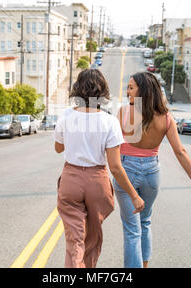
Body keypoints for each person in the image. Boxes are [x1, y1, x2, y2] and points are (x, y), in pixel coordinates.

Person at [114, 72, 191, 268]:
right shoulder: (166, 117)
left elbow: (111, 146)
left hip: (127, 172)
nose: (127, 91)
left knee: (132, 229)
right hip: (152, 173)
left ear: (143, 90)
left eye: (131, 87)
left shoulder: (123, 112)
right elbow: (180, 151)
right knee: (145, 221)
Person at [53, 68, 145, 268]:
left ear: (77, 89)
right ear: (101, 91)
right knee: (92, 238)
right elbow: (116, 167)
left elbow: (58, 148)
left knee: (74, 240)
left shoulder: (66, 115)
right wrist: (134, 196)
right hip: (97, 181)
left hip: (71, 179)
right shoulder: (109, 121)